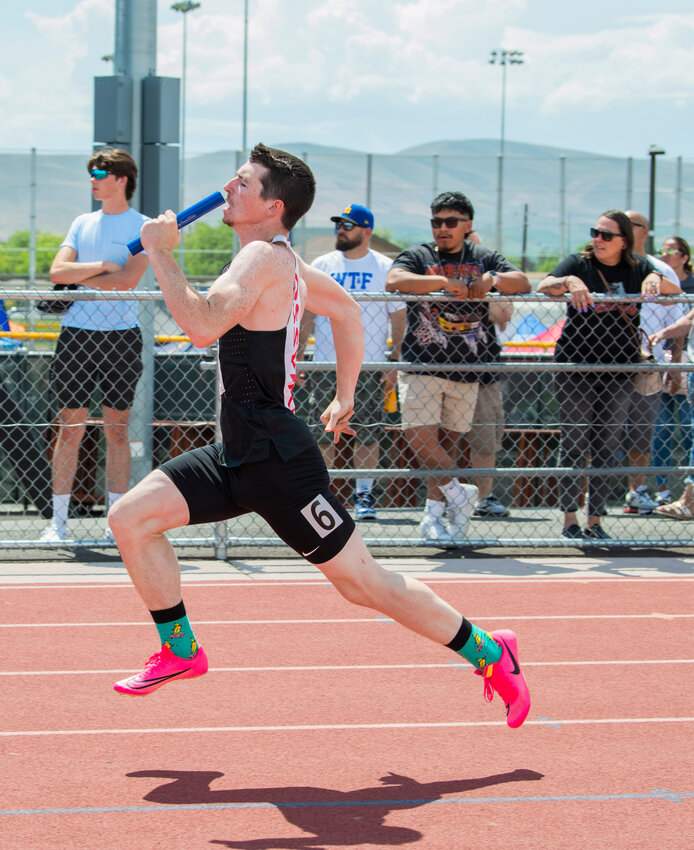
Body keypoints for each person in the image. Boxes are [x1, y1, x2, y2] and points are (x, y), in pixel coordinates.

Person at [108, 144, 530, 729]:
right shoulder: (281, 262)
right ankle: (180, 648)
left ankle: (489, 651)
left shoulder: (264, 258)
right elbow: (351, 313)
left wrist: (159, 253)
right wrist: (345, 394)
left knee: (364, 585)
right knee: (131, 518)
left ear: (271, 204)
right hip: (236, 451)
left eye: (242, 183)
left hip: (278, 460)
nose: (228, 188)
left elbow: (202, 325)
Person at [385, 191, 530, 547]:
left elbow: (523, 282)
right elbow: (394, 281)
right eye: (437, 222)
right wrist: (443, 283)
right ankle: (459, 493)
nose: (442, 229)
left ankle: (435, 517)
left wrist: (492, 280)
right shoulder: (420, 255)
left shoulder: (483, 258)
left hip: (468, 369)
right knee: (418, 437)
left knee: (447, 443)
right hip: (422, 365)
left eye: (451, 222)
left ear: (467, 226)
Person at [537, 210, 680, 541]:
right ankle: (569, 518)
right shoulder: (579, 263)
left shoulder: (639, 268)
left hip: (619, 368)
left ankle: (596, 520)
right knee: (574, 442)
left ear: (624, 241)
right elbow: (545, 285)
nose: (597, 239)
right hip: (576, 366)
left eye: (606, 235)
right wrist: (569, 281)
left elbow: (674, 289)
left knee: (606, 445)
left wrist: (656, 279)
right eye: (595, 232)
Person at [39, 148, 149, 543]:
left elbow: (129, 282)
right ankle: (58, 524)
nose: (93, 179)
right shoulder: (82, 222)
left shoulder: (144, 225)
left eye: (99, 172)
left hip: (121, 337)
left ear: (121, 178)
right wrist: (104, 266)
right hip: (76, 334)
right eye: (91, 173)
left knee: (117, 432)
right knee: (70, 429)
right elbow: (57, 270)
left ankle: (113, 525)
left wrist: (83, 275)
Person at [301, 204, 406, 520]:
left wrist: (393, 362)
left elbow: (400, 319)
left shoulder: (385, 268)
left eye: (348, 225)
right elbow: (306, 315)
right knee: (323, 434)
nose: (341, 230)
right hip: (325, 366)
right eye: (339, 225)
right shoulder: (322, 265)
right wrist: (297, 358)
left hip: (369, 366)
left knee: (368, 433)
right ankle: (322, 497)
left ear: (367, 231)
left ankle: (364, 496)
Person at [621, 211, 681, 515]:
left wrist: (675, 365)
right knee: (595, 428)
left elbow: (677, 322)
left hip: (649, 360)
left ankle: (637, 490)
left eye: (631, 226)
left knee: (641, 430)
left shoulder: (661, 271)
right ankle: (590, 491)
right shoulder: (606, 266)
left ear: (645, 231)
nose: (625, 231)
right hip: (608, 361)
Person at [652, 236, 694, 507]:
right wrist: (662, 334)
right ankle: (664, 489)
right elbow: (686, 320)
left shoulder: (690, 284)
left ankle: (688, 498)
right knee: (661, 429)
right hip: (662, 361)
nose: (665, 254)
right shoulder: (654, 279)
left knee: (690, 431)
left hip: (684, 362)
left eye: (671, 250)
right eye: (662, 250)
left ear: (684, 256)